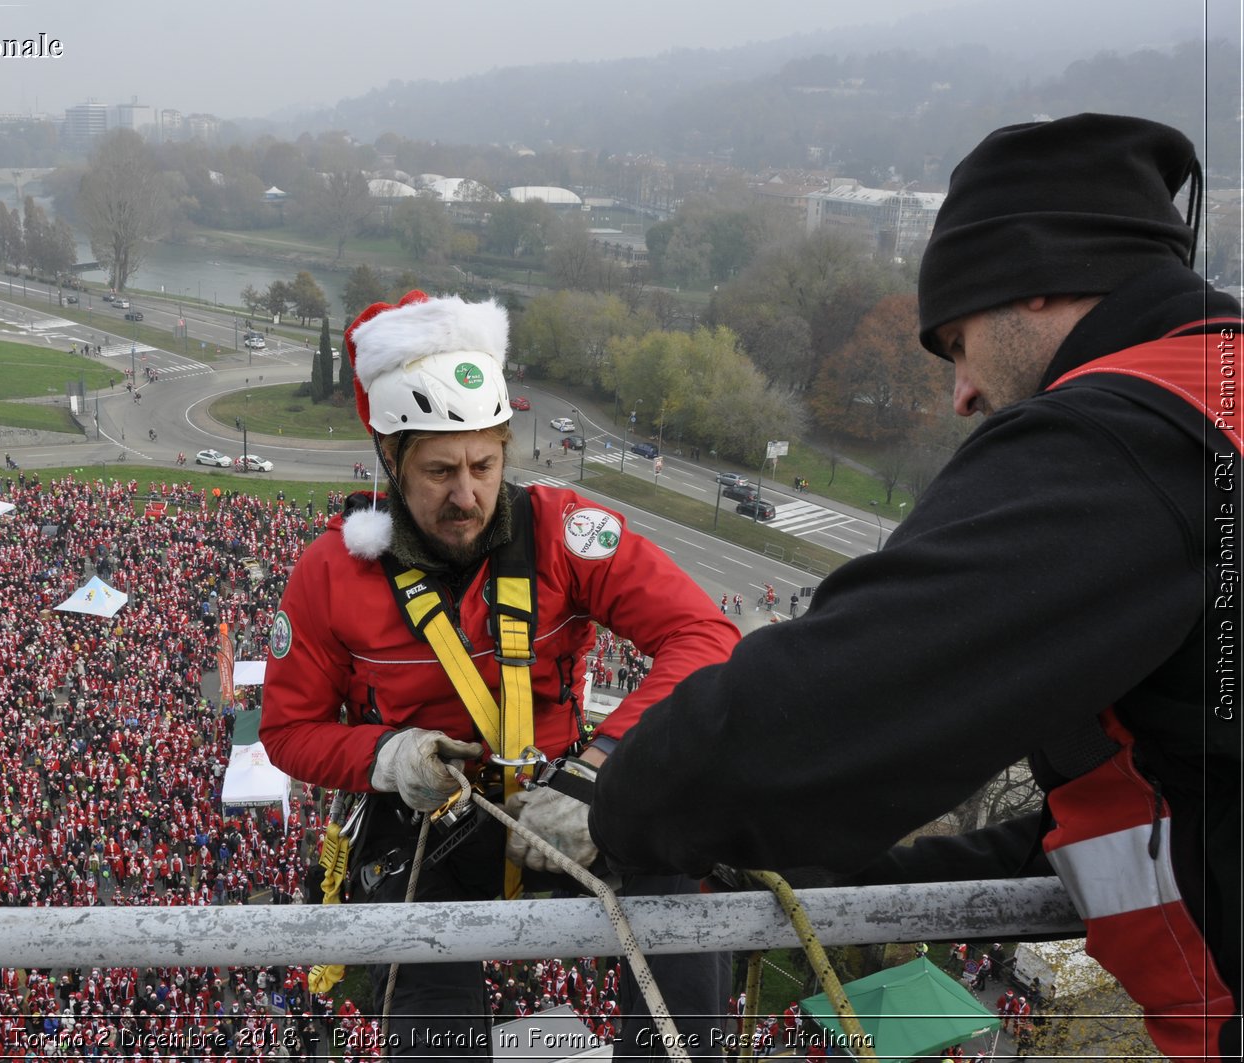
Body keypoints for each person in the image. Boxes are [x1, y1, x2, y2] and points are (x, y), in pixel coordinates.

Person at [589, 113, 1241, 1061]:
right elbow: (1164, 810)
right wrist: (849, 877)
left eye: (956, 340)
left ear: (1039, 278)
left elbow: (811, 714)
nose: (960, 394)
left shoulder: (1130, 432)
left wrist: (628, 804)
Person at [261, 291, 739, 1058]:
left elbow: (706, 636)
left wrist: (599, 770)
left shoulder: (561, 531)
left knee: (681, 903)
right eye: (440, 470)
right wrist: (384, 755)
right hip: (422, 831)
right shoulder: (330, 572)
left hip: (559, 797)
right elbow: (287, 728)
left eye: (485, 465)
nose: (467, 494)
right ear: (390, 458)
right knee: (434, 1015)